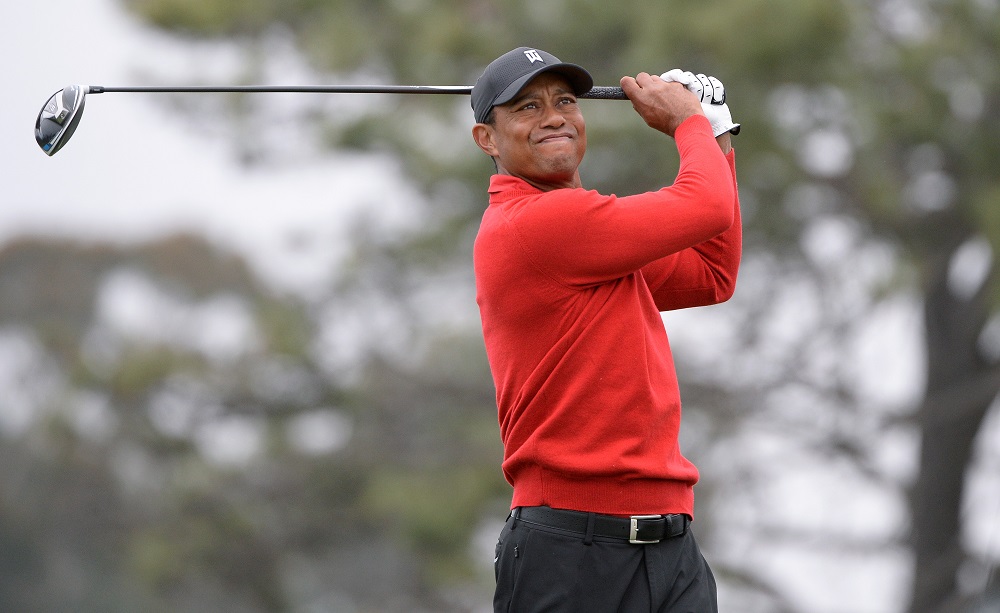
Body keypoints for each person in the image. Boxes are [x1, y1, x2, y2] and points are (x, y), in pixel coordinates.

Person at [469, 46, 742, 612]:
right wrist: (688, 121)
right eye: (525, 107)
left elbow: (712, 273)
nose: (553, 117)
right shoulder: (537, 225)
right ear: (486, 140)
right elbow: (706, 206)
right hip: (571, 549)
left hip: (670, 548)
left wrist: (715, 135)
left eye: (565, 101)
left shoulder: (593, 237)